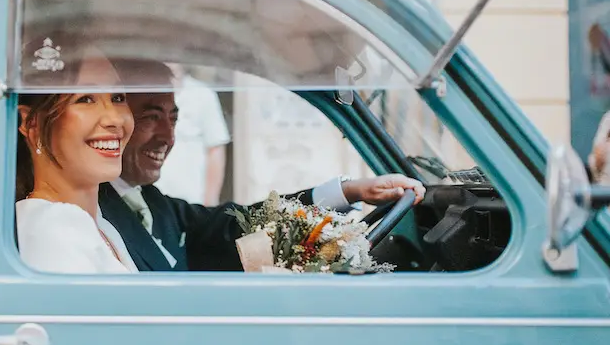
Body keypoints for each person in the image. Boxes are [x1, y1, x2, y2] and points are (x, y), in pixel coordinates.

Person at [99, 60, 426, 272]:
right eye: (151, 117)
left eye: (173, 119)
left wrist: (349, 190)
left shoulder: (152, 202)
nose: (168, 137)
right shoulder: (91, 210)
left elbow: (236, 226)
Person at [15, 36, 138, 274]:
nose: (114, 119)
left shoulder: (101, 227)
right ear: (32, 125)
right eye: (86, 99)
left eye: (118, 98)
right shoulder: (49, 229)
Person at [153, 64, 230, 205]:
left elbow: (215, 149)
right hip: (153, 197)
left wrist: (210, 200)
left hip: (191, 199)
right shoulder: (147, 92)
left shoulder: (203, 95)